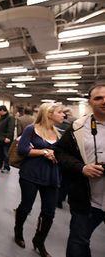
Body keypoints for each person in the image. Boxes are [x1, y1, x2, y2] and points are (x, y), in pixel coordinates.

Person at [54, 82, 105, 257]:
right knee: (78, 243)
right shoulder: (78, 127)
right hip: (87, 200)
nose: (104, 101)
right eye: (98, 98)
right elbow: (60, 152)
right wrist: (81, 168)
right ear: (90, 102)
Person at [13, 102, 65, 257]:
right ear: (49, 114)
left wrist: (57, 155)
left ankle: (39, 240)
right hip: (31, 175)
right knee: (26, 206)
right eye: (60, 112)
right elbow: (22, 150)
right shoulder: (32, 129)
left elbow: (63, 154)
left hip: (51, 177)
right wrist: (43, 152)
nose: (63, 115)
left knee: (49, 213)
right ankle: (18, 230)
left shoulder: (59, 134)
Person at [0, 105, 15, 172]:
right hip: (0, 139)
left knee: (6, 154)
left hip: (5, 139)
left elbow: (11, 128)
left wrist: (8, 137)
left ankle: (6, 167)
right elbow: (1, 126)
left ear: (2, 110)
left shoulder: (10, 118)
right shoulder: (2, 117)